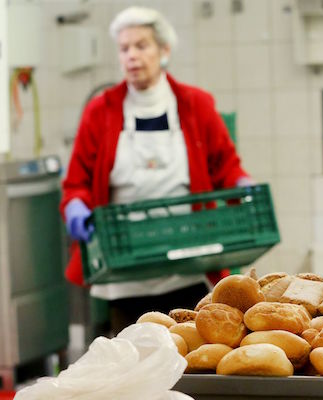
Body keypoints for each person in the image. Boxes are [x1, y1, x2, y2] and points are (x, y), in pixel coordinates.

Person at [60, 6, 251, 333]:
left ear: (164, 50)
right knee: (134, 360)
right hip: (125, 270)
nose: (132, 55)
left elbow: (226, 168)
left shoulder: (196, 105)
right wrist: (76, 209)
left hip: (189, 264)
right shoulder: (100, 112)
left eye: (141, 45)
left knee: (189, 355)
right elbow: (76, 182)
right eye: (124, 48)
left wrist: (244, 185)